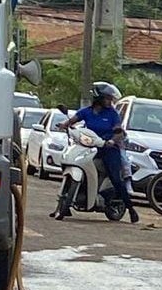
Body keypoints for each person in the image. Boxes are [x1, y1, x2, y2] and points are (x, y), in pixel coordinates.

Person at [57, 82, 138, 223]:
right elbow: (72, 121)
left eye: (111, 99)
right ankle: (67, 201)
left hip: (108, 148)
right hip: (90, 147)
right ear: (98, 98)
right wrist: (64, 125)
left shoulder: (112, 114)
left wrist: (113, 140)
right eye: (107, 98)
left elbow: (119, 131)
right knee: (71, 161)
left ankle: (131, 209)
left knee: (115, 177)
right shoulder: (86, 111)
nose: (110, 101)